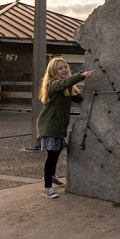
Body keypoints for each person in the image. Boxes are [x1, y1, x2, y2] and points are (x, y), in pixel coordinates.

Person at [35, 57, 94, 199]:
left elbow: (79, 99)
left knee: (55, 153)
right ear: (53, 72)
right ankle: (47, 188)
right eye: (60, 68)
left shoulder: (67, 87)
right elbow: (64, 83)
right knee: (51, 156)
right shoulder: (52, 84)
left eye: (65, 67)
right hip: (49, 125)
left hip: (58, 126)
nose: (64, 70)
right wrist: (81, 76)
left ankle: (52, 175)